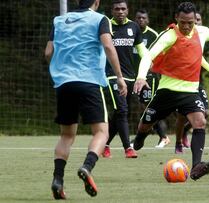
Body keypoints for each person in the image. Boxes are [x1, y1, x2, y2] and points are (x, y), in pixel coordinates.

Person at [132, 2, 209, 180]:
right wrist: (141, 76)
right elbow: (149, 55)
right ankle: (141, 136)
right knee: (144, 126)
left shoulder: (201, 32)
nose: (187, 26)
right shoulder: (169, 35)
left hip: (190, 91)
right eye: (183, 22)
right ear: (176, 19)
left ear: (195, 20)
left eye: (191, 22)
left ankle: (197, 166)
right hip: (167, 90)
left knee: (200, 121)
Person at [45, 0, 127, 199]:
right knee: (101, 132)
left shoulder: (59, 20)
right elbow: (107, 45)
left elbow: (48, 52)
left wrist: (59, 70)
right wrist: (119, 76)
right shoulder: (100, 19)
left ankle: (58, 179)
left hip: (64, 83)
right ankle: (87, 167)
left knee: (66, 135)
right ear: (96, 2)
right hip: (89, 81)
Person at [102, 0, 149, 158]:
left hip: (130, 77)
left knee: (120, 113)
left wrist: (149, 65)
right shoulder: (106, 25)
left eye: (123, 9)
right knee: (122, 110)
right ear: (112, 10)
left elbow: (141, 50)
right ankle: (128, 148)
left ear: (128, 11)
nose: (120, 12)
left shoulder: (134, 27)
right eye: (117, 9)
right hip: (112, 75)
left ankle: (105, 143)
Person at [134, 8, 171, 148]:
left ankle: (164, 137)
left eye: (143, 18)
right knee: (142, 108)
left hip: (149, 78)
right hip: (135, 77)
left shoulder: (153, 35)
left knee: (150, 108)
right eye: (138, 18)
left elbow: (160, 55)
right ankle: (146, 133)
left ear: (148, 20)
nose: (141, 20)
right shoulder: (131, 32)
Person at [174, 11, 209, 154]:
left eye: (198, 20)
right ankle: (178, 142)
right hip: (181, 84)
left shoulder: (202, 35)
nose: (197, 22)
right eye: (196, 20)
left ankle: (184, 132)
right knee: (182, 117)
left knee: (205, 112)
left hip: (196, 83)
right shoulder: (179, 35)